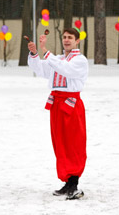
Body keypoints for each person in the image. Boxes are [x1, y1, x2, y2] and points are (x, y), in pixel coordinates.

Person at [27, 28, 89, 200]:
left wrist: (46, 52)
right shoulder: (59, 59)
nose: (66, 40)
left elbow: (66, 70)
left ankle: (74, 182)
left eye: (70, 38)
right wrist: (34, 54)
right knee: (60, 143)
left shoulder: (80, 60)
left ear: (77, 41)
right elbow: (42, 70)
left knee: (74, 143)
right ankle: (68, 181)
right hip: (56, 103)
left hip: (71, 104)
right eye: (64, 37)